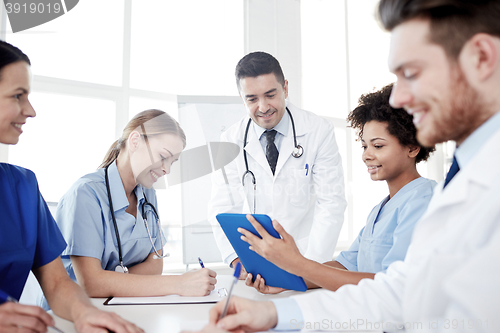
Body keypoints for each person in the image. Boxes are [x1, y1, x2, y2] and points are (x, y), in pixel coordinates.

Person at [190, 0, 500, 332]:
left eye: (411, 73)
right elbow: (402, 291)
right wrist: (275, 313)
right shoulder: (465, 181)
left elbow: (333, 207)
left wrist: (299, 265)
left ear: (481, 57)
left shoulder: (448, 190)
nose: (397, 99)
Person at [0, 40, 142, 333]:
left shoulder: (22, 188)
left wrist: (84, 313)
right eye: (18, 96)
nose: (30, 110)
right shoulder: (86, 191)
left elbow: (57, 283)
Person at [242, 83, 436, 294]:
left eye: (377, 146)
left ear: (412, 147)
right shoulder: (380, 210)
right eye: (364, 146)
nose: (366, 155)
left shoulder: (423, 201)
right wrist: (287, 279)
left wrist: (297, 264)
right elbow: (345, 266)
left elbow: (392, 283)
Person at [208, 51, 347, 277]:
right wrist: (237, 260)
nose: (263, 107)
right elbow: (222, 207)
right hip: (255, 264)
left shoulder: (318, 130)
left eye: (270, 95)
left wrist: (309, 268)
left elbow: (331, 202)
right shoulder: (230, 140)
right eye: (251, 99)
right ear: (242, 98)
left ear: (286, 89)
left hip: (307, 256)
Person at [52, 109, 217, 299]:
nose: (167, 170)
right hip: (71, 313)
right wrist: (180, 283)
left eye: (173, 162)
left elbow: (155, 265)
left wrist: (110, 282)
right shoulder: (85, 194)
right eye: (164, 157)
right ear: (135, 141)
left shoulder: (148, 195)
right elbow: (91, 283)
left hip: (118, 307)